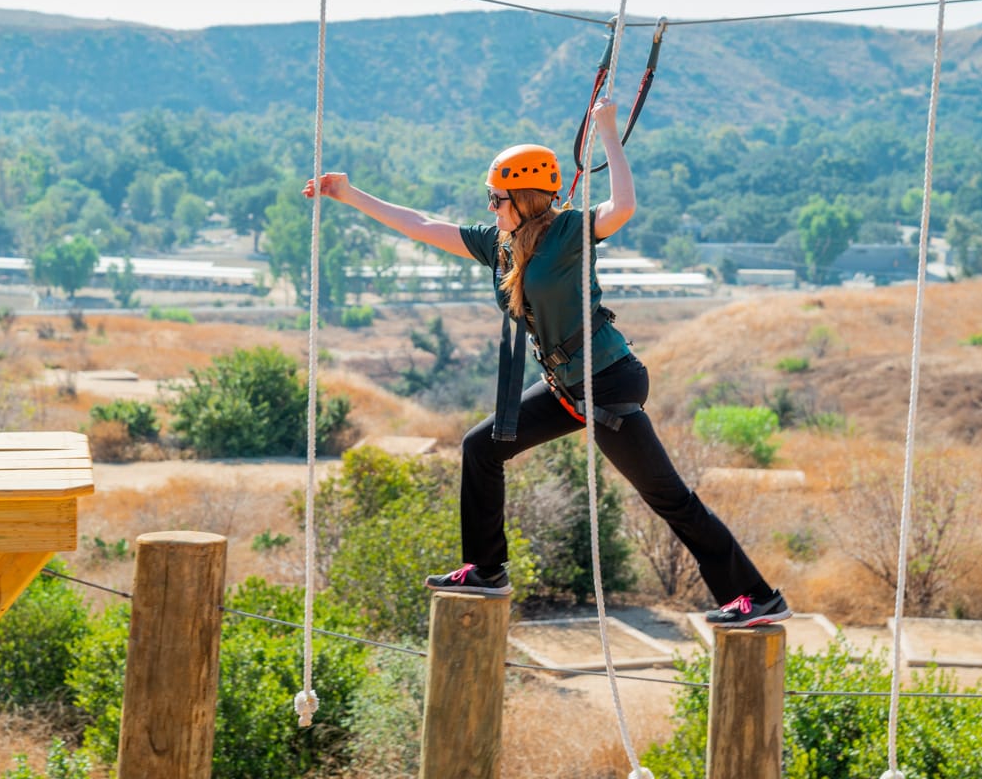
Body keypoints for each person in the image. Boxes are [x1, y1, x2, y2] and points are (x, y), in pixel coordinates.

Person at [304, 100, 790, 627]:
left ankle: (755, 594)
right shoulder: (501, 246)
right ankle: (486, 569)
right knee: (479, 447)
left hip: (608, 385)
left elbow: (622, 207)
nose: (490, 208)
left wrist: (608, 132)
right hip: (566, 389)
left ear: (524, 198)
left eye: (497, 199)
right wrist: (348, 195)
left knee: (668, 497)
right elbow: (421, 225)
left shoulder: (569, 234)